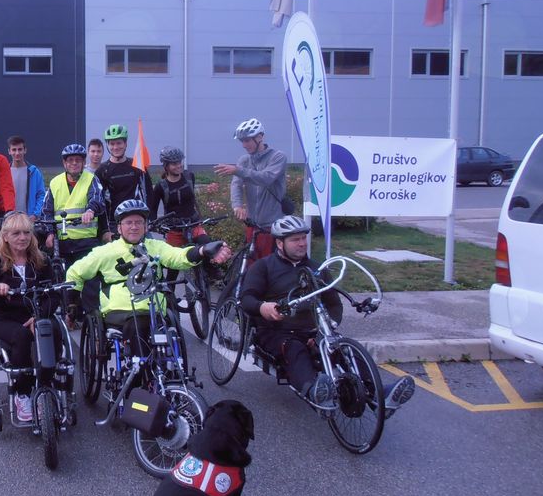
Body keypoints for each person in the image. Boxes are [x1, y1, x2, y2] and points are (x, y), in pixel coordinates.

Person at [240, 215, 415, 414]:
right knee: (294, 348)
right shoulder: (263, 267)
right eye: (295, 240)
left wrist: (325, 330)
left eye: (303, 238)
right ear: (280, 243)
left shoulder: (318, 269)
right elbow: (246, 299)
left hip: (315, 331)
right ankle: (314, 391)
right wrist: (262, 307)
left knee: (345, 349)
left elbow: (333, 304)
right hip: (276, 331)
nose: (302, 243)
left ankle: (378, 395)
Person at [67, 199, 230, 358]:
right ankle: (141, 367)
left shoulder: (155, 246)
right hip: (120, 310)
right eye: (128, 223)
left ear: (145, 227)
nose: (134, 227)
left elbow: (179, 256)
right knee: (138, 325)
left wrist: (202, 250)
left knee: (166, 329)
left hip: (154, 307)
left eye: (139, 222)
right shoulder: (105, 252)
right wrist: (72, 303)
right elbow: (75, 272)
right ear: (119, 228)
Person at [0, 212, 63, 423]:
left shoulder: (41, 260)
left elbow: (54, 294)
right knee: (21, 336)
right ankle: (22, 393)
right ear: (5, 236)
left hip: (36, 314)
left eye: (26, 232)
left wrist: (39, 316)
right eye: (16, 233)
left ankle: (45, 385)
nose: (22, 237)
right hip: (5, 318)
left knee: (53, 329)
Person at [41, 143, 106, 325]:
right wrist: (49, 233)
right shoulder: (55, 183)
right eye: (70, 161)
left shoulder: (91, 179)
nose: (74, 163)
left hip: (86, 241)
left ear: (84, 162)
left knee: (90, 280)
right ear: (65, 163)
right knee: (65, 280)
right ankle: (70, 313)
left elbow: (97, 199)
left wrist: (91, 210)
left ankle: (92, 319)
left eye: (78, 160)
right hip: (63, 241)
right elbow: (46, 210)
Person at [214, 118, 288, 260]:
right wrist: (237, 205)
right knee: (250, 264)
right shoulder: (244, 160)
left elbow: (266, 178)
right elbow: (236, 184)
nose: (244, 145)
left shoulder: (278, 157)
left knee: (269, 264)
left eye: (247, 140)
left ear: (260, 137)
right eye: (241, 141)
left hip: (272, 225)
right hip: (252, 224)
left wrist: (238, 170)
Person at [95, 124, 152, 242]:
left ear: (125, 144)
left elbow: (149, 194)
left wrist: (148, 220)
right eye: (112, 144)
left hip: (136, 220)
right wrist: (104, 230)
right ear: (107, 145)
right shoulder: (102, 170)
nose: (115, 147)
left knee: (148, 251)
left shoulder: (137, 165)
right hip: (114, 223)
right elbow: (99, 201)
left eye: (119, 143)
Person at [6, 135, 46, 217]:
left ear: (25, 150)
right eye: (14, 150)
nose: (17, 153)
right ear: (9, 151)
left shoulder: (34, 172)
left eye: (20, 149)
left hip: (29, 219)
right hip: (9, 219)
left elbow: (41, 195)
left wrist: (35, 215)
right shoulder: (4, 172)